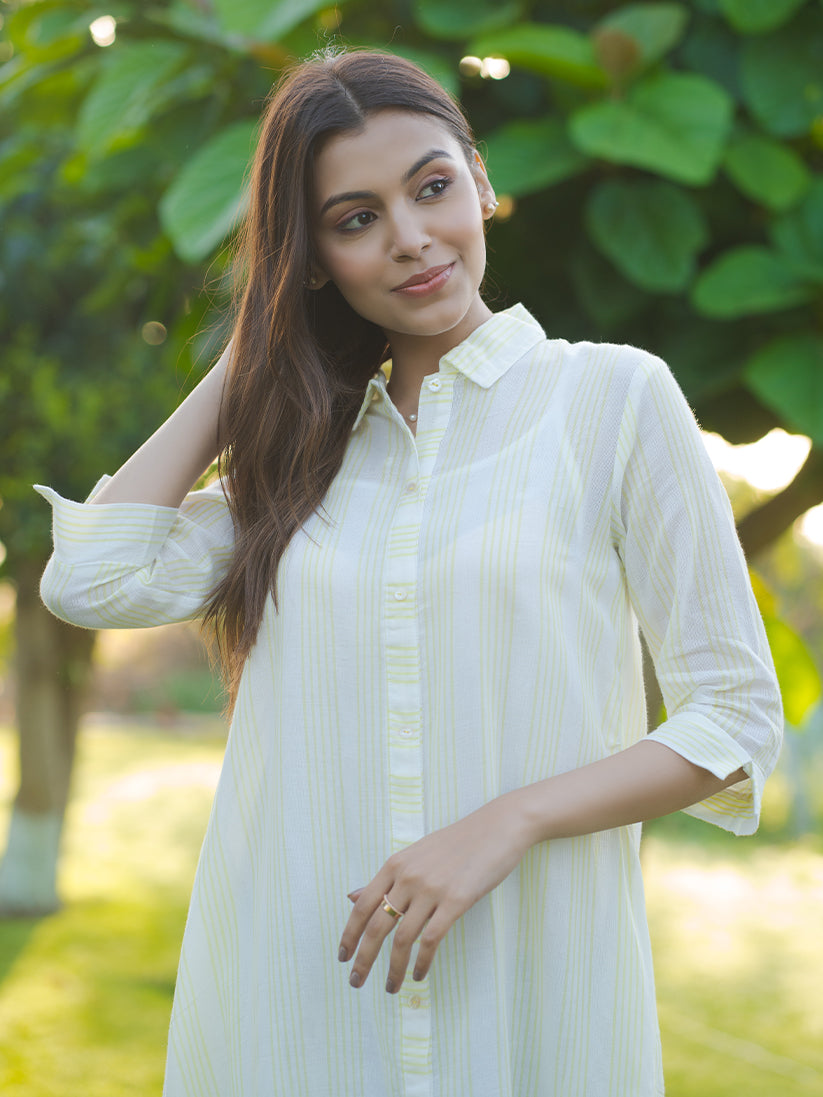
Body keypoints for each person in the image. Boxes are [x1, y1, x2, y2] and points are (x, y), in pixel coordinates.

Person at [36, 47, 782, 1097]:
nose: (411, 239)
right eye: (354, 219)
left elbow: (736, 717)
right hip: (300, 993)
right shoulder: (302, 457)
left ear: (479, 179)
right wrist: (253, 347)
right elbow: (92, 582)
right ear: (313, 258)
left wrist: (506, 819)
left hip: (531, 982)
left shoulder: (613, 398)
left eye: (431, 187)